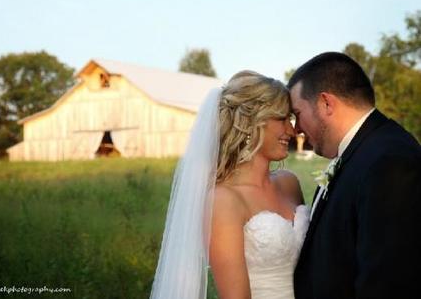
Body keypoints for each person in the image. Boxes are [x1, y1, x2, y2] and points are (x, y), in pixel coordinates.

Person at [150, 70, 310, 299]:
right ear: (250, 123)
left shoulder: (289, 183)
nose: (292, 131)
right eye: (282, 119)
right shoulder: (224, 201)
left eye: (291, 119)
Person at [288, 52, 421, 299]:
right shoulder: (362, 152)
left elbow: (387, 284)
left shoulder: (391, 162)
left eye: (298, 113)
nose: (296, 129)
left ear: (326, 103)